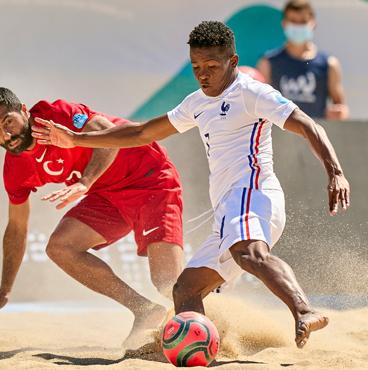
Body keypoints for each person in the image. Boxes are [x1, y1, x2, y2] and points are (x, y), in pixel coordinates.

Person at [31, 21, 350, 349]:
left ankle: (304, 311)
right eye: (197, 66)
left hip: (252, 194)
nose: (203, 73)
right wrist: (77, 140)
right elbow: (140, 133)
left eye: (212, 66)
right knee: (184, 290)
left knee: (249, 254)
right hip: (228, 210)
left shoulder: (251, 92)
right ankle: (204, 346)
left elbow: (308, 125)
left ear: (233, 62)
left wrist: (335, 171)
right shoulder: (196, 103)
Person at [0, 87, 185, 348]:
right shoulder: (15, 168)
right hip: (106, 193)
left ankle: (210, 322)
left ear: (24, 111)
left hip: (148, 176)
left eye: (8, 122)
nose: (6, 135)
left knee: (166, 283)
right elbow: (16, 228)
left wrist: (85, 181)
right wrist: (5, 290)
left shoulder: (52, 114)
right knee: (60, 247)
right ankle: (145, 310)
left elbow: (103, 128)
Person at [256, 0, 350, 120]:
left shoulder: (329, 64)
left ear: (313, 24)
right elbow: (259, 106)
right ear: (284, 24)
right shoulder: (267, 63)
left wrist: (338, 113)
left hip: (314, 135)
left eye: (303, 22)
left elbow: (342, 110)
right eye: (293, 21)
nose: (298, 26)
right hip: (280, 136)